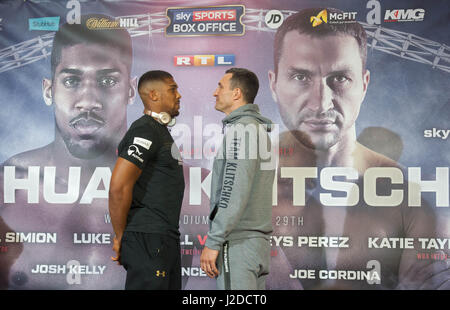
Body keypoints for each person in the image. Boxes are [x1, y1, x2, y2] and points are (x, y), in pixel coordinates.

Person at [267, 8, 449, 289]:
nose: (321, 103)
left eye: (339, 78)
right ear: (273, 84)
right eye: (301, 77)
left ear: (364, 85)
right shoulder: (232, 185)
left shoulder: (412, 200)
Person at [0, 14, 136, 289]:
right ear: (49, 90)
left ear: (131, 91)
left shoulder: (185, 189)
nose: (88, 102)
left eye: (108, 81)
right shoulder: (7, 185)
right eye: (72, 81)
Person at [200, 68, 275, 290]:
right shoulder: (254, 129)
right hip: (254, 244)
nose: (215, 92)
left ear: (236, 94)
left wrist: (214, 241)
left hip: (239, 243)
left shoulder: (242, 130)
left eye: (220, 86)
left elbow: (234, 191)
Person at [109, 70, 185, 290]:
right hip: (148, 238)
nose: (179, 95)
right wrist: (120, 236)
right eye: (173, 89)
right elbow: (118, 187)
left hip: (162, 237)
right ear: (153, 95)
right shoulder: (145, 130)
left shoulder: (159, 131)